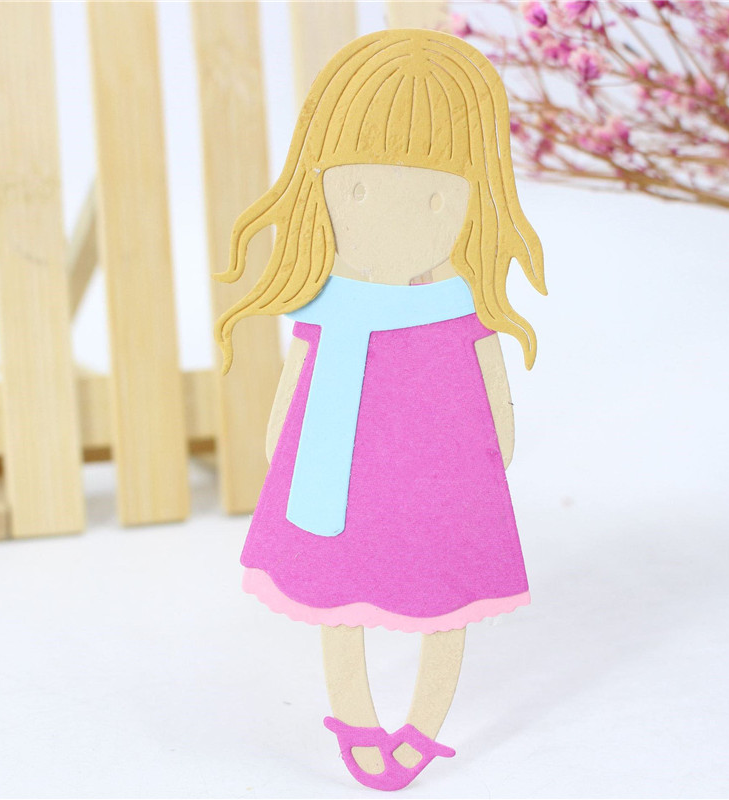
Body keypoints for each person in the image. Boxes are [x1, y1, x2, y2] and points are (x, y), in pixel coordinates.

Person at [215, 28, 546, 791]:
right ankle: (357, 717)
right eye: (359, 190)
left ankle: (423, 726)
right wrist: (285, 445)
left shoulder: (461, 307)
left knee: (446, 589)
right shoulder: (331, 309)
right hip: (344, 477)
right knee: (340, 585)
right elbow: (294, 387)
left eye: (434, 197)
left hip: (443, 475)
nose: (393, 212)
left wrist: (491, 453)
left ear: (466, 202)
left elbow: (495, 401)